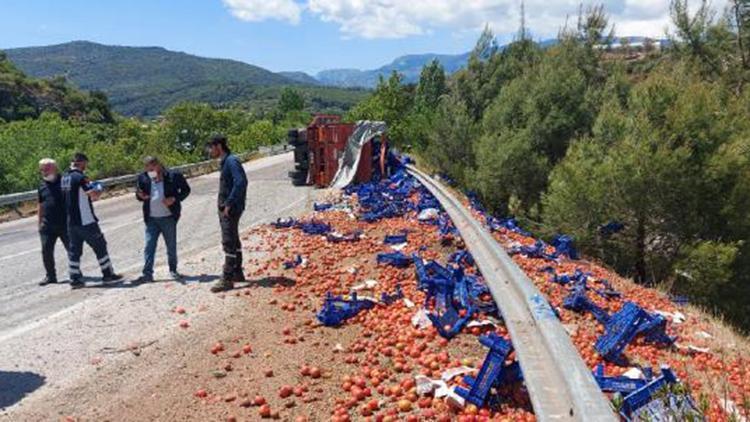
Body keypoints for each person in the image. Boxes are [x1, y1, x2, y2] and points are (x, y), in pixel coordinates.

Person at [61, 152, 122, 288]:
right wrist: (99, 188)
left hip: (71, 221)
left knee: (74, 251)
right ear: (81, 162)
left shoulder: (64, 178)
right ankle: (108, 274)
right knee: (100, 245)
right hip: (86, 220)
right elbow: (93, 195)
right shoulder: (80, 177)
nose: (86, 167)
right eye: (85, 164)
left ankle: (74, 279)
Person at [134, 156, 191, 283]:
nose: (149, 171)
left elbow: (186, 190)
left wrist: (174, 199)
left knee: (171, 246)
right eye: (147, 168)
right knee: (149, 246)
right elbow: (138, 193)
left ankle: (173, 270)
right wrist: (140, 196)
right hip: (151, 219)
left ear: (158, 165)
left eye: (152, 168)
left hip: (168, 217)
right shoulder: (143, 177)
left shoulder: (173, 176)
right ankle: (147, 274)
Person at [207, 135, 248, 292]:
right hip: (229, 207)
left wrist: (229, 203)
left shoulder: (231, 161)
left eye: (211, 147)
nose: (210, 151)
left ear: (218, 146)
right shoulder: (227, 162)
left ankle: (227, 278)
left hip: (230, 208)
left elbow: (241, 182)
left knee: (228, 241)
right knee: (234, 239)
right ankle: (237, 272)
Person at [37, 158, 69, 286]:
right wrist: (39, 223)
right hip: (47, 225)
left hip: (65, 223)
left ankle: (75, 272)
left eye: (47, 168)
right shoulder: (41, 185)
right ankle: (50, 276)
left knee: (72, 250)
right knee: (46, 251)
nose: (44, 171)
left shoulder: (65, 181)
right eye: (42, 169)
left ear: (55, 168)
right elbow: (40, 204)